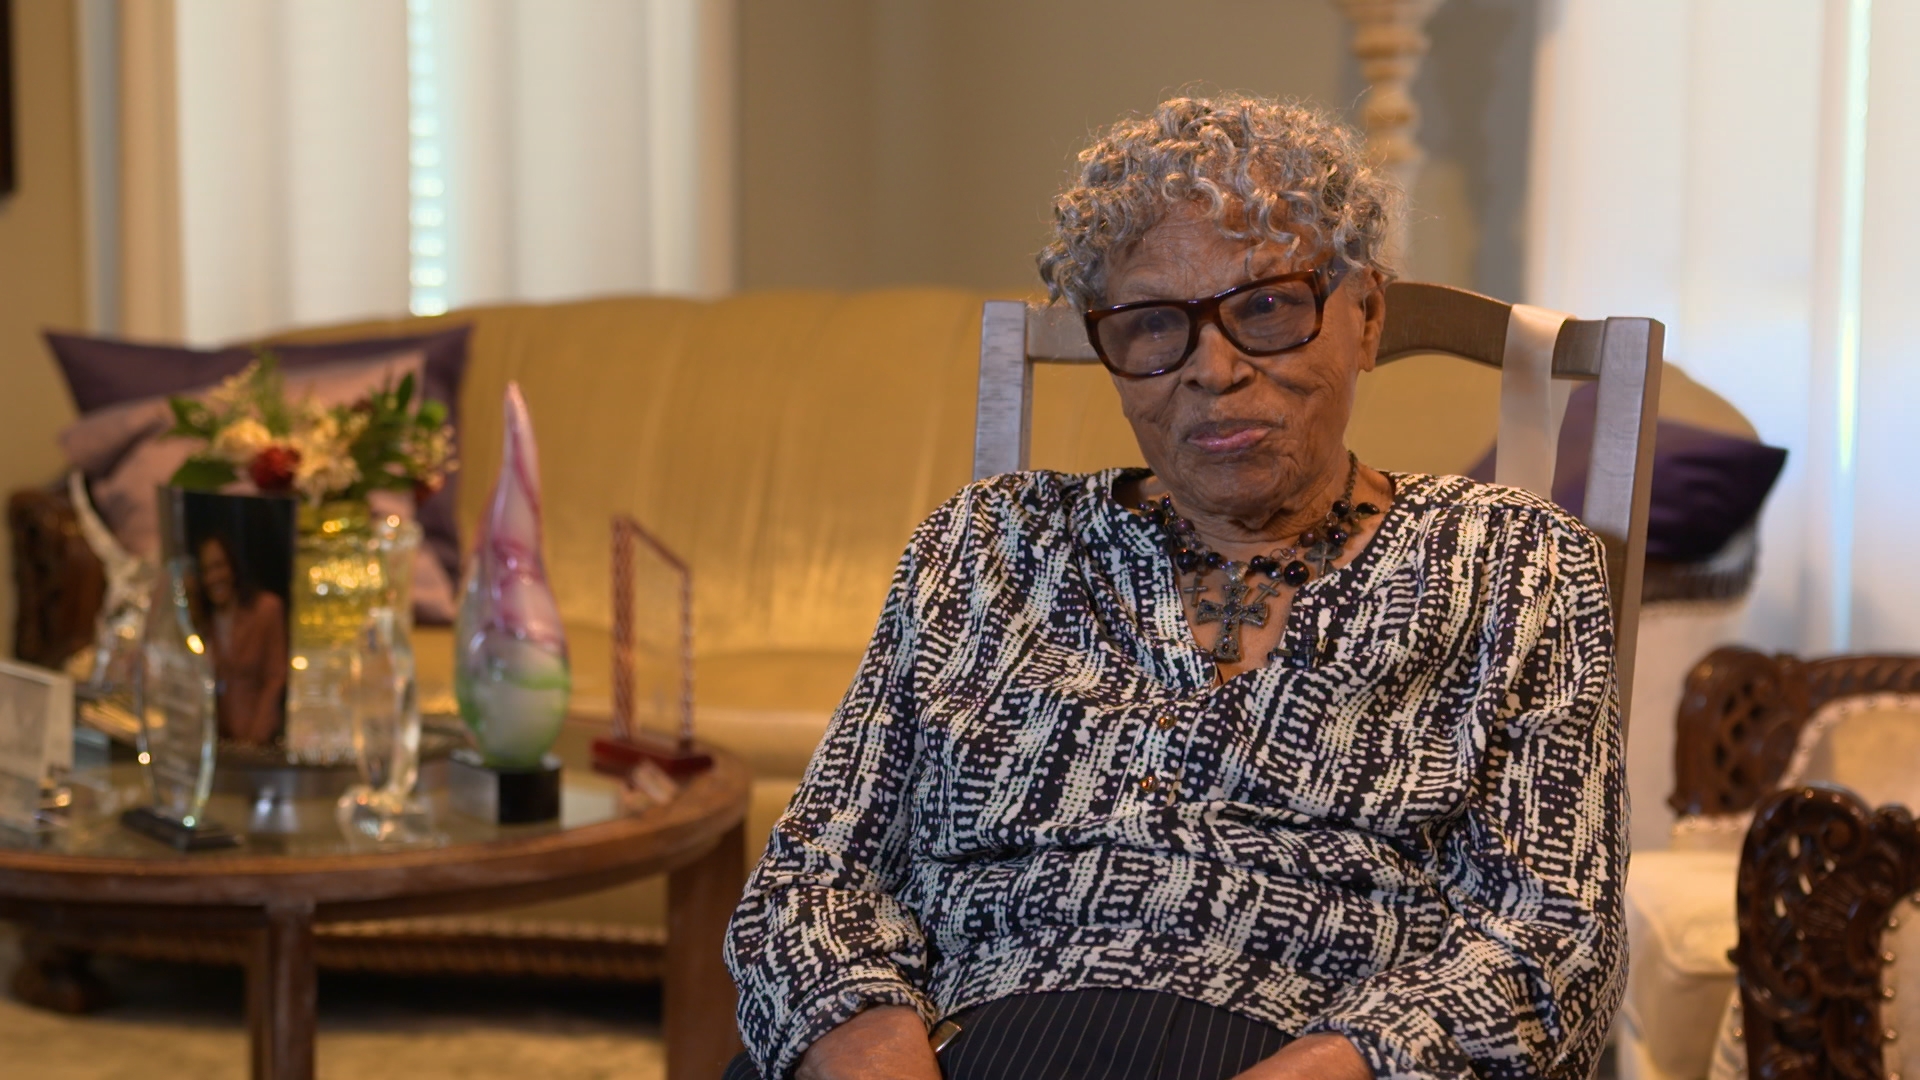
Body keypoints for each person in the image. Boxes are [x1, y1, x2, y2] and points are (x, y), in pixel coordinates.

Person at [725, 96, 1626, 1080]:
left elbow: (1550, 946)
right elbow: (809, 883)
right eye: (1154, 326)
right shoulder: (986, 548)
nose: (1216, 369)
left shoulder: (1512, 564)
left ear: (1365, 316)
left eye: (1270, 306)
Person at [195, 532, 288, 745]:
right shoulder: (203, 622)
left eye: (219, 566)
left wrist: (254, 738)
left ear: (233, 566)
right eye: (206, 570)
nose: (213, 577)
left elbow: (275, 678)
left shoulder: (266, 609)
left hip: (264, 743)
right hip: (220, 746)